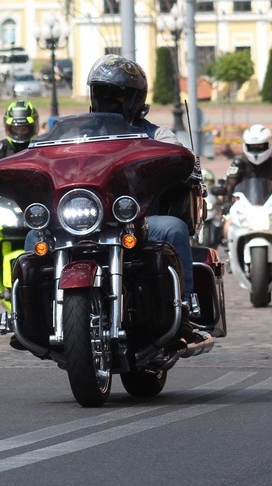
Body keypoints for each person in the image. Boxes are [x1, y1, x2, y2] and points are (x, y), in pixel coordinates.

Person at [82, 55, 203, 323]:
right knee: (35, 238)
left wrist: (185, 162)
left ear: (134, 99)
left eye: (117, 96)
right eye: (102, 93)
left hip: (141, 221)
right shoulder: (78, 137)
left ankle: (185, 308)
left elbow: (184, 160)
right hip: (87, 222)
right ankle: (34, 315)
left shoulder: (157, 136)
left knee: (173, 228)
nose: (109, 103)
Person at [0, 100, 39, 297]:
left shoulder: (40, 147)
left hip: (35, 206)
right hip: (5, 204)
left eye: (24, 128)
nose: (20, 133)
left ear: (33, 127)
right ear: (8, 127)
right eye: (16, 128)